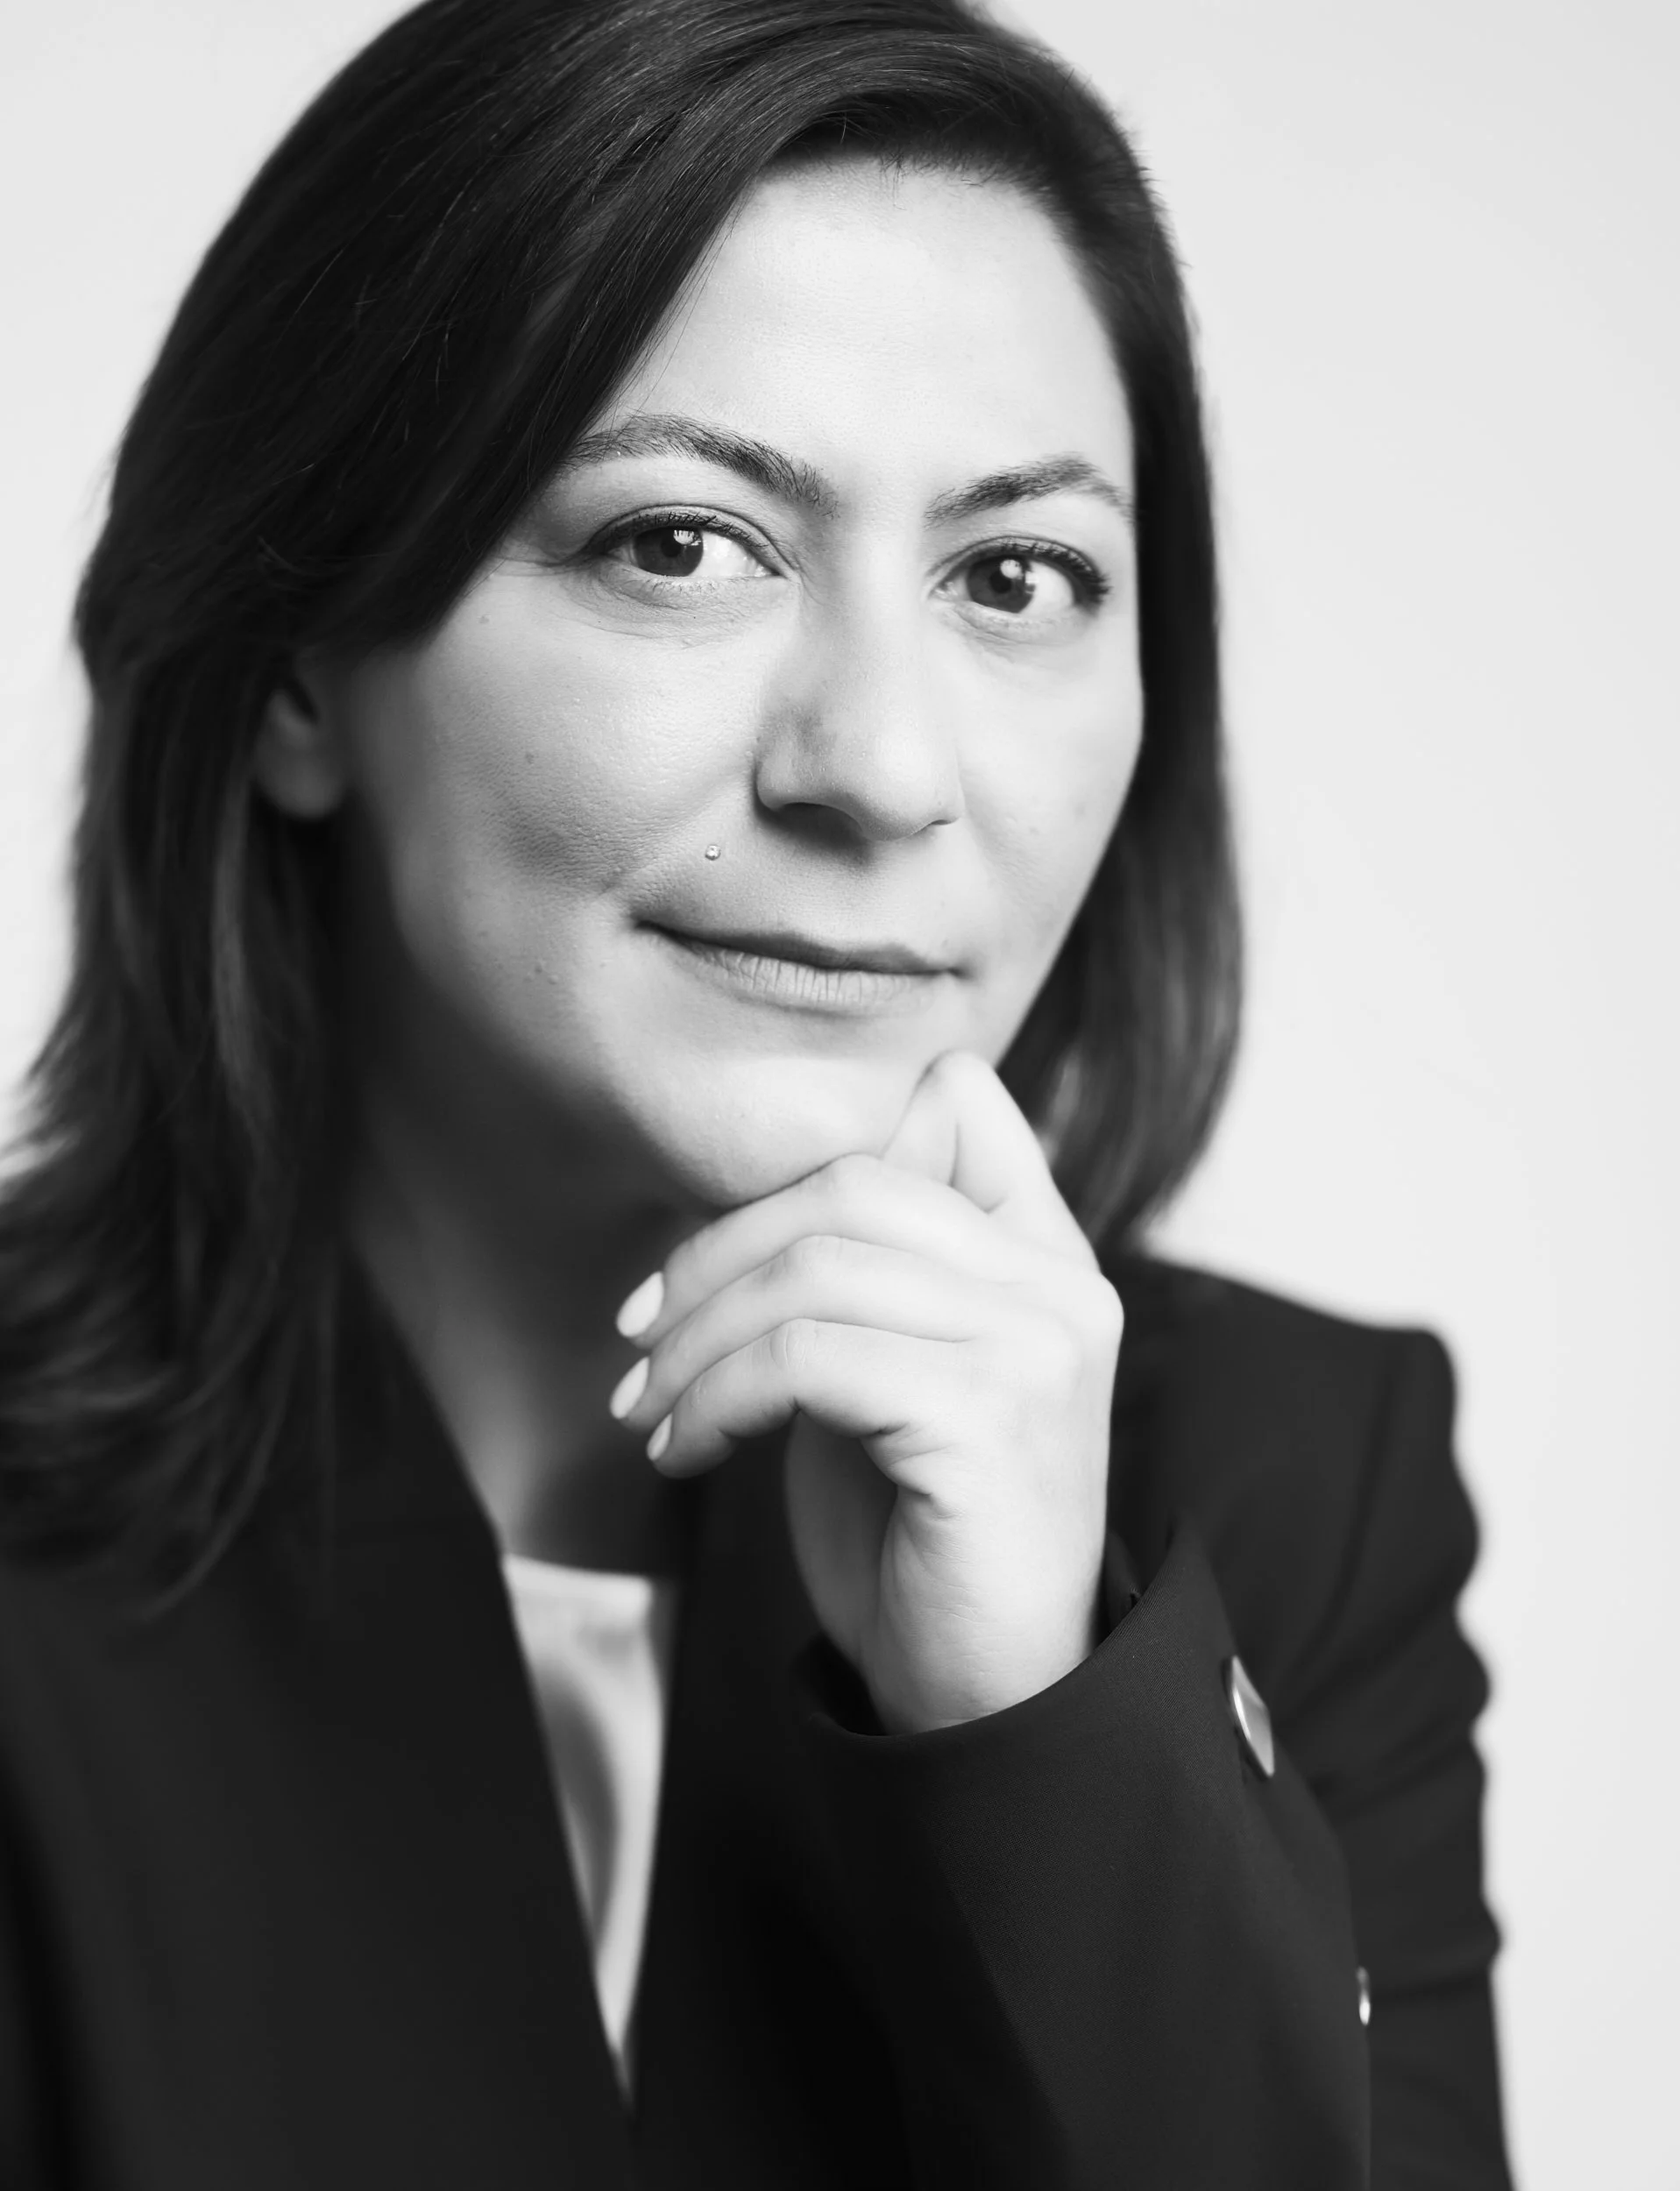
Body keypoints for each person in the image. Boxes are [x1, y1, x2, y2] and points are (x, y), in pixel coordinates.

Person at [0, 0, 1513, 2183]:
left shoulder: (1294, 1491)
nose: (880, 765)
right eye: (682, 543)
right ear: (300, 667)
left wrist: (1048, 1726)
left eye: (1016, 577)